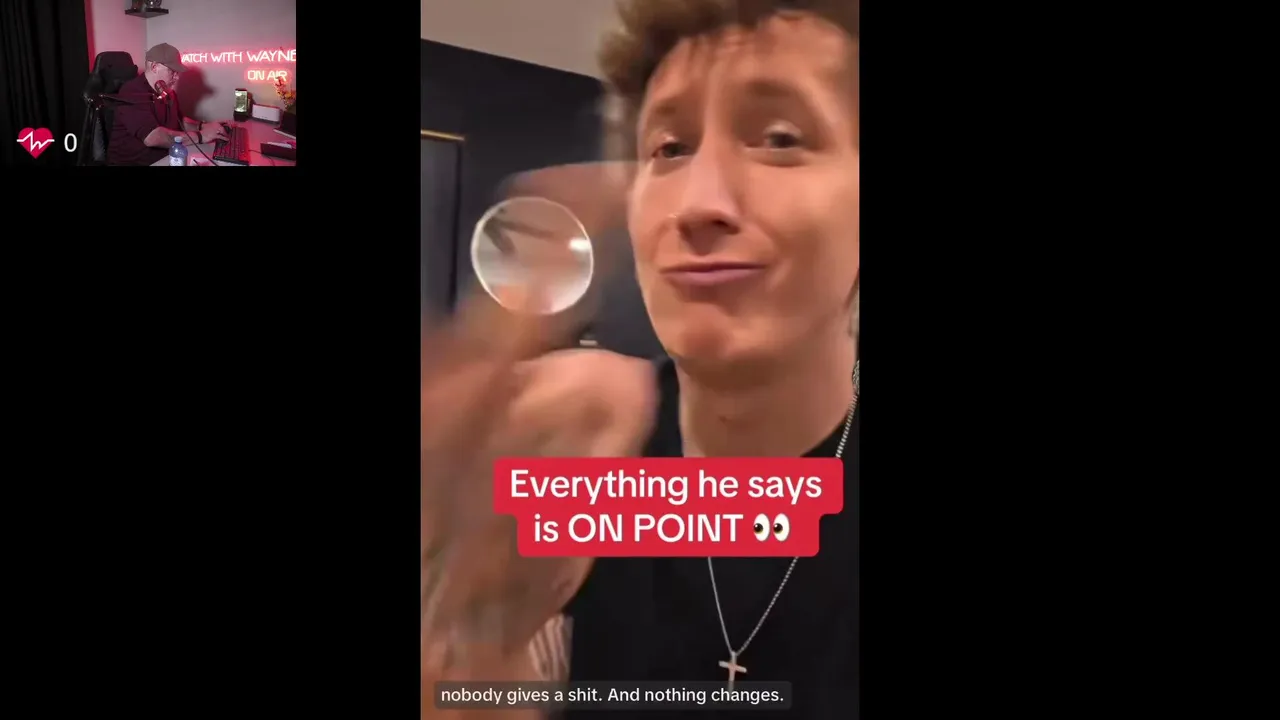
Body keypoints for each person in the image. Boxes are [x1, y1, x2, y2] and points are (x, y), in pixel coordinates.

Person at [421, 1, 859, 718]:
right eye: (669, 148)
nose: (698, 203)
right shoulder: (582, 469)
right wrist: (471, 649)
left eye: (780, 138)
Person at [106, 43, 228, 166]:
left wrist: (203, 126)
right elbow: (153, 137)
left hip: (163, 158)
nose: (177, 77)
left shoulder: (168, 92)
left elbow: (179, 121)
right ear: (155, 67)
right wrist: (201, 136)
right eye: (172, 72)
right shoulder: (132, 92)